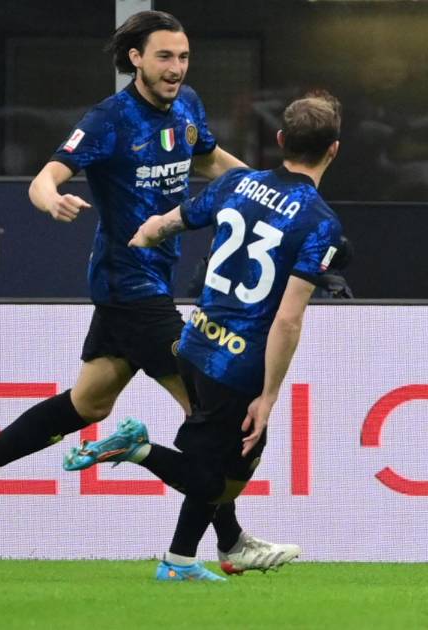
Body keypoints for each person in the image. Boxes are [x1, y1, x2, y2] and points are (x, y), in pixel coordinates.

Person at [0, 11, 297, 574]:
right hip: (129, 284)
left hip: (148, 282)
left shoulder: (188, 105)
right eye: (164, 56)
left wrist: (267, 194)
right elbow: (46, 177)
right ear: (136, 58)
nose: (176, 68)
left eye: (183, 57)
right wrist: (51, 199)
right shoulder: (109, 119)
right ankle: (228, 543)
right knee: (211, 412)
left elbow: (210, 160)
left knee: (89, 403)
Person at [63, 91, 344, 582]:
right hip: (238, 365)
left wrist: (144, 236)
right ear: (334, 150)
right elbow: (288, 320)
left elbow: (169, 223)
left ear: (280, 140)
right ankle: (136, 449)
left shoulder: (238, 182)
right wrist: (269, 395)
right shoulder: (320, 223)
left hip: (195, 343)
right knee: (221, 484)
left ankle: (180, 561)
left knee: (209, 460)